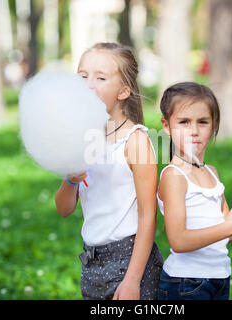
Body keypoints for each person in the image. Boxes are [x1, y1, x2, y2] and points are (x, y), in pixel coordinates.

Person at [54, 43, 163, 300]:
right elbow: (63, 209)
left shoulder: (135, 142)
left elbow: (148, 217)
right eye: (82, 76)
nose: (88, 84)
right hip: (91, 264)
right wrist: (70, 180)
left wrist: (132, 281)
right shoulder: (82, 140)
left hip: (130, 263)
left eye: (100, 78)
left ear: (123, 91)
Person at [157, 82, 232, 300]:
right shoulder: (174, 176)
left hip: (219, 277)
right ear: (166, 126)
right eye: (184, 122)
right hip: (185, 284)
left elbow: (228, 232)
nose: (194, 131)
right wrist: (231, 226)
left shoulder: (212, 172)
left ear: (214, 125)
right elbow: (178, 241)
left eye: (203, 122)